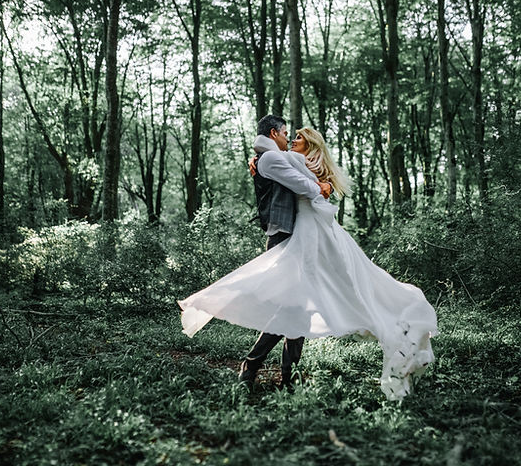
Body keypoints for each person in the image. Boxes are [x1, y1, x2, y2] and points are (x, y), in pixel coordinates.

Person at [178, 124, 438, 400]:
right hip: (300, 233)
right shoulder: (288, 159)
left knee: (298, 305)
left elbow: (301, 179)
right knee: (292, 304)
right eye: (289, 134)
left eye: (300, 137)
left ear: (311, 145)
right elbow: (274, 158)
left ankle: (277, 370)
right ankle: (267, 368)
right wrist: (258, 158)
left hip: (316, 235)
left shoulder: (302, 162)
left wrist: (314, 182)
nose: (292, 139)